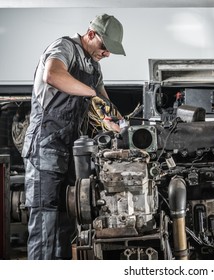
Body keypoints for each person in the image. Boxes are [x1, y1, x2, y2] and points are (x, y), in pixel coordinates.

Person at [21, 14, 126, 260]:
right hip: (45, 149)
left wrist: (123, 126)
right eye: (104, 47)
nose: (106, 54)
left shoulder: (94, 67)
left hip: (71, 151)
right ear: (90, 35)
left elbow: (105, 106)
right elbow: (53, 75)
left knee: (68, 221)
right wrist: (91, 94)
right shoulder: (64, 47)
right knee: (46, 223)